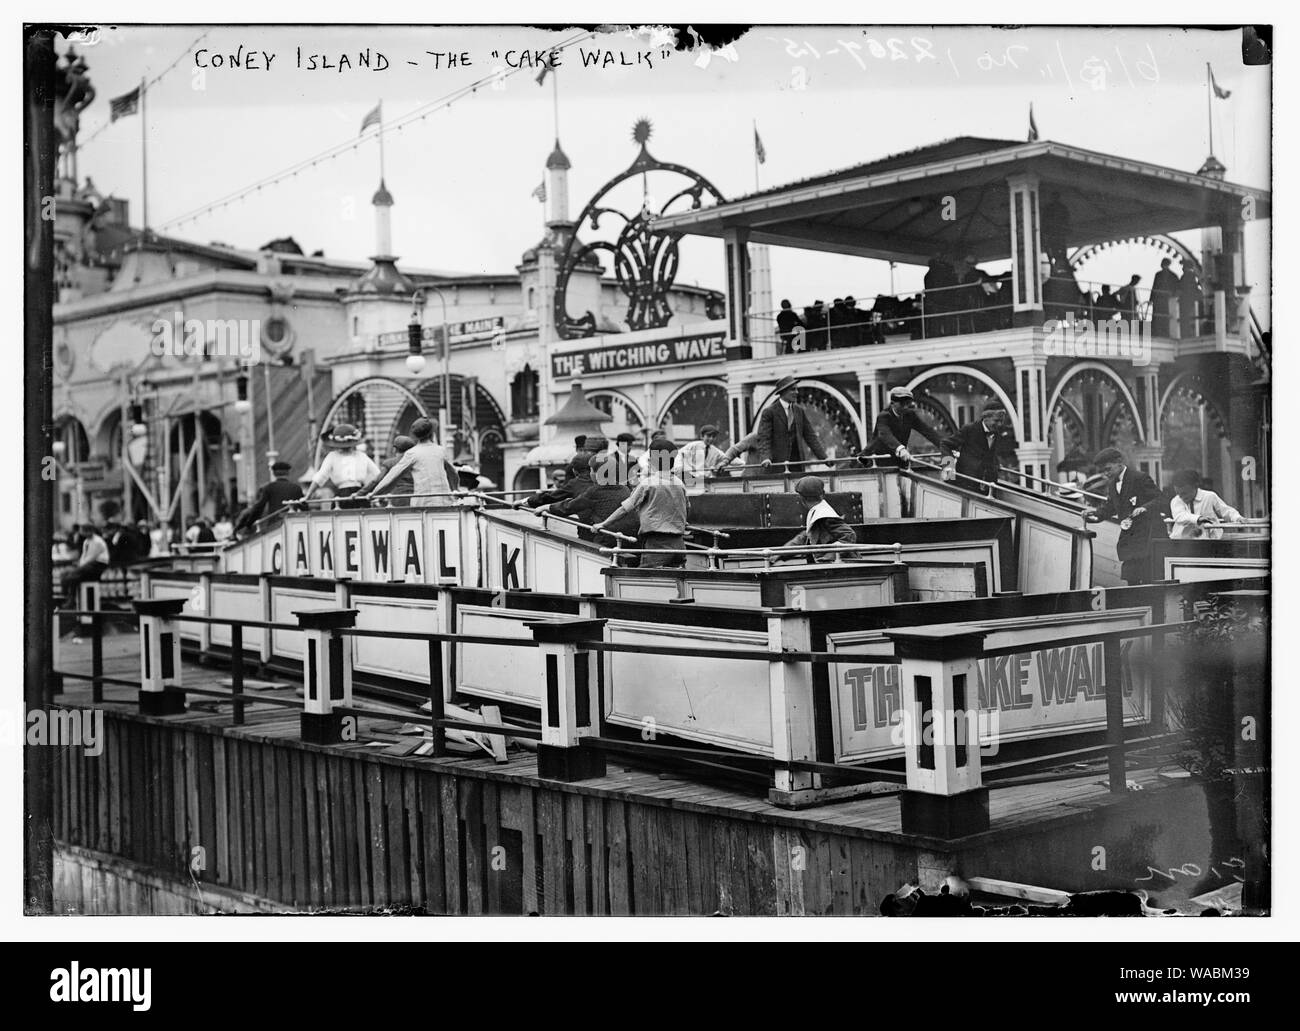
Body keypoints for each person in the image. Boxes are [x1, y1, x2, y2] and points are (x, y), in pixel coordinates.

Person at [594, 438, 688, 568]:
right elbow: (686, 507)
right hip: (679, 544)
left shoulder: (648, 483)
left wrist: (603, 524)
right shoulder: (679, 483)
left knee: (645, 581)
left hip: (657, 544)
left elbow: (624, 509)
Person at [1083, 447, 1168, 585]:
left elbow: (1161, 499)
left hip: (1148, 540)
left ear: (1119, 462)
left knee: (1149, 582)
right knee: (1131, 581)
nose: (1106, 473)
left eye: (1108, 469)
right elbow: (1110, 507)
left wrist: (1144, 508)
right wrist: (1094, 515)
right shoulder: (1112, 485)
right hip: (1130, 543)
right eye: (1103, 471)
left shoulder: (1139, 478)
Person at [542, 454, 638, 542]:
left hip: (609, 539)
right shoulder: (625, 488)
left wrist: (547, 507)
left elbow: (569, 507)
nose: (590, 473)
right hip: (631, 538)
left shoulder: (595, 491)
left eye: (591, 470)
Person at [363, 417, 457, 506]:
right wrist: (456, 489)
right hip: (444, 500)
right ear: (431, 434)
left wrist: (374, 493)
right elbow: (452, 473)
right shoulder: (441, 450)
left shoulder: (412, 453)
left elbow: (393, 475)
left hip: (422, 502)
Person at [781, 476, 861, 562]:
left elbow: (849, 536)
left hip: (842, 566)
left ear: (801, 498)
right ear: (822, 494)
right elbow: (805, 536)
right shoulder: (817, 510)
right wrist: (779, 553)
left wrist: (827, 558)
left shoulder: (825, 514)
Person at [861, 387, 946, 469]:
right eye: (902, 404)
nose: (905, 407)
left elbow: (927, 431)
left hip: (899, 459)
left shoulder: (910, 415)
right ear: (892, 403)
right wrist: (900, 449)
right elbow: (885, 434)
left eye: (908, 403)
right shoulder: (884, 416)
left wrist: (945, 446)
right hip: (878, 460)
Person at [941, 400, 1019, 489]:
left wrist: (996, 464)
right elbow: (945, 444)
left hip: (989, 485)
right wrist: (948, 468)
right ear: (986, 418)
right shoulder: (969, 429)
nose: (1000, 424)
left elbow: (989, 453)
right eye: (996, 421)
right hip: (966, 483)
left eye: (1001, 421)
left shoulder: (996, 432)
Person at [756, 375, 827, 469]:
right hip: (777, 467)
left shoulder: (799, 411)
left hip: (797, 466)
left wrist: (824, 458)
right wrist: (765, 458)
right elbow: (764, 438)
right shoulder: (769, 412)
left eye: (797, 389)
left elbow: (811, 437)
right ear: (783, 392)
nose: (797, 392)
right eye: (793, 390)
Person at [301, 424, 381, 504]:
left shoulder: (361, 456)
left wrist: (378, 491)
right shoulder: (333, 456)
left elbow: (378, 475)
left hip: (359, 494)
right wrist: (308, 495)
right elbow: (320, 477)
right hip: (345, 495)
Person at [1169, 468, 1243, 540]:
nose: (1182, 497)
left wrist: (1237, 518)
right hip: (1183, 541)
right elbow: (1180, 516)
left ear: (1195, 486)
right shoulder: (1176, 500)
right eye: (1178, 493)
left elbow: (1226, 511)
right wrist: (1198, 519)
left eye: (1185, 493)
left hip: (1208, 540)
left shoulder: (1209, 497)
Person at [236, 460, 304, 534]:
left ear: (274, 473)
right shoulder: (296, 488)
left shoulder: (269, 487)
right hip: (293, 525)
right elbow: (304, 507)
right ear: (288, 473)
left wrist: (249, 524)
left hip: (274, 525)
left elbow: (259, 507)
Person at [361, 436, 416, 507]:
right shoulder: (415, 462)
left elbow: (377, 481)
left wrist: (360, 493)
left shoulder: (389, 463)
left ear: (395, 449)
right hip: (416, 497)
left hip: (397, 499)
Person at [62, 523, 109, 599]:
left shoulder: (97, 541)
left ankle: (70, 599)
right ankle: (66, 596)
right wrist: (80, 564)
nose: (81, 533)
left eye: (82, 531)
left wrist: (80, 567)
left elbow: (91, 557)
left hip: (97, 565)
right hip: (88, 565)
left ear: (89, 531)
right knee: (65, 574)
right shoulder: (86, 541)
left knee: (71, 577)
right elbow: (84, 555)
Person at [673, 424, 727, 489]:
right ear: (702, 436)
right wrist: (679, 466)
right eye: (709, 436)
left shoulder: (715, 451)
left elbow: (728, 458)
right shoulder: (693, 445)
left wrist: (722, 464)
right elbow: (679, 454)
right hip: (691, 478)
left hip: (706, 480)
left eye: (714, 436)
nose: (711, 439)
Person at [1150, 258, 1180, 337]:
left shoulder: (1158, 274)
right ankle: (1165, 333)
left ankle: (1157, 333)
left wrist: (1151, 299)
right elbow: (1177, 288)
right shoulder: (1173, 275)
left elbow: (1154, 287)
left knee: (1158, 318)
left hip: (1159, 300)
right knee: (1166, 317)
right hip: (1167, 300)